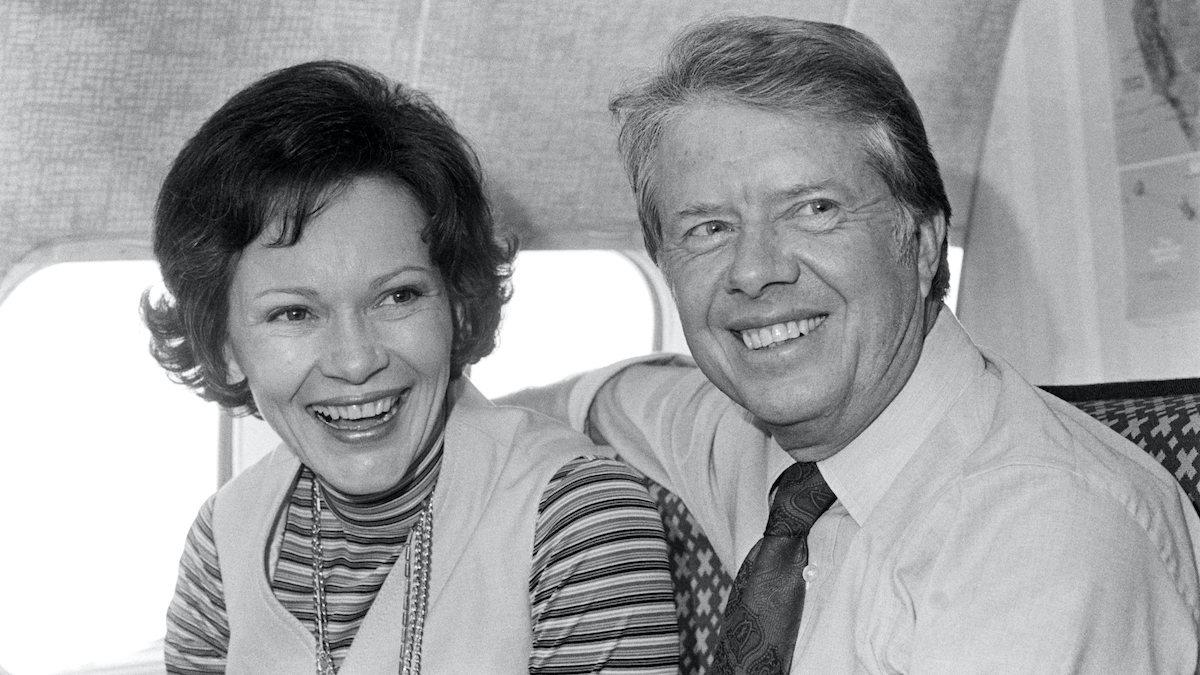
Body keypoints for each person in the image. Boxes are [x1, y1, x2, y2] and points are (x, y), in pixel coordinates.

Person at [504, 16, 1200, 674]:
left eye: (814, 210)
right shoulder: (764, 446)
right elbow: (613, 398)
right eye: (709, 228)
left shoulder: (1047, 535)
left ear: (922, 241)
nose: (754, 270)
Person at [143, 60, 679, 674]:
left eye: (398, 296)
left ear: (455, 303)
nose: (356, 360)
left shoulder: (578, 517)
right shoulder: (225, 538)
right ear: (225, 345)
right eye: (293, 313)